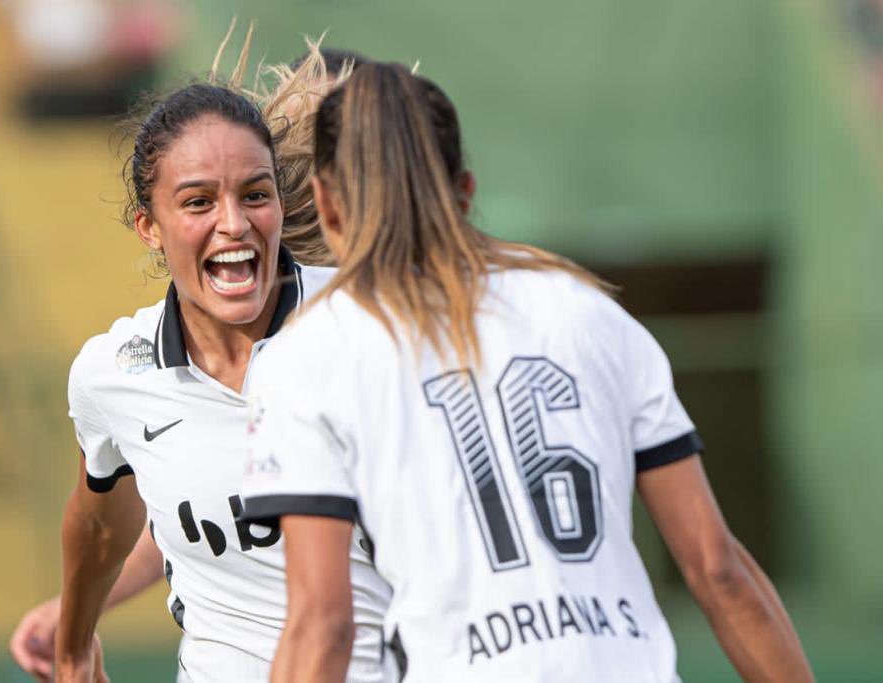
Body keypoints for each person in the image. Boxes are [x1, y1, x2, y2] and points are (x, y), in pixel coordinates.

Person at [240, 63, 815, 683]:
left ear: (324, 202)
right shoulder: (589, 311)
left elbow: (324, 625)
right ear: (464, 190)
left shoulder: (309, 356)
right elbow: (718, 570)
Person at [8, 46, 371, 683]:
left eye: (255, 195)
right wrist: (72, 639)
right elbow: (103, 524)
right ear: (150, 227)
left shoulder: (375, 325)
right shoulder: (114, 375)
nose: (233, 223)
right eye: (199, 202)